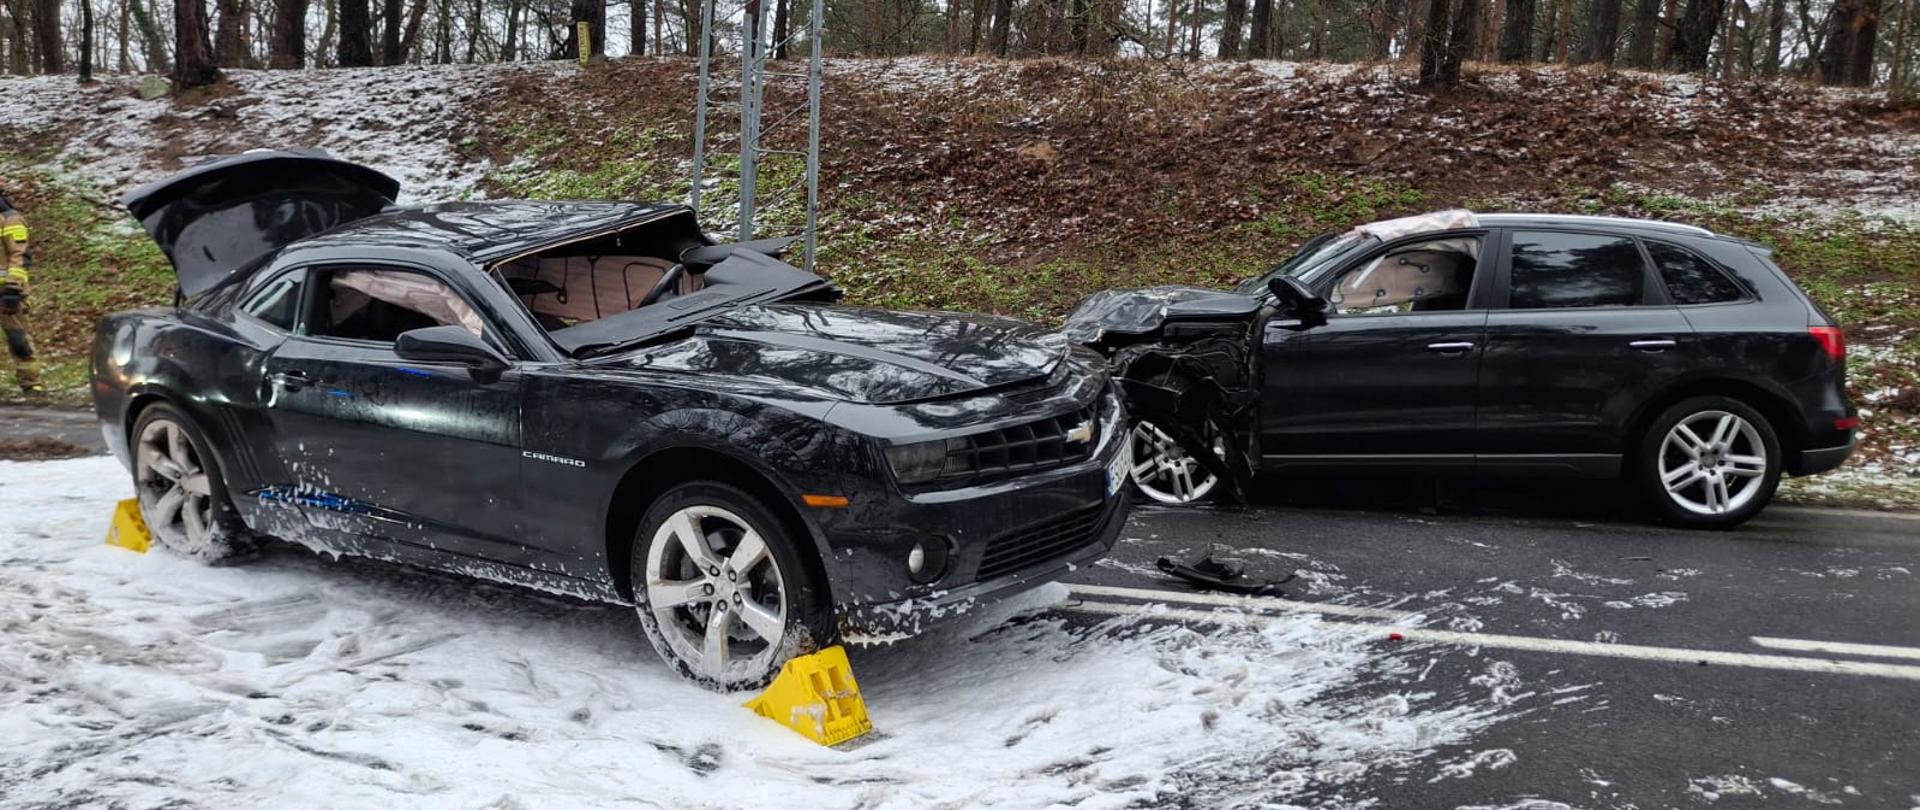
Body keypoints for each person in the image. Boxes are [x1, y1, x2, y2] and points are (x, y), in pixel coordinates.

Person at [0, 190, 41, 394]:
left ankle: (31, 384)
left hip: (6, 292)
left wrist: (12, 288)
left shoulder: (10, 219)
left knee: (18, 340)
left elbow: (20, 255)